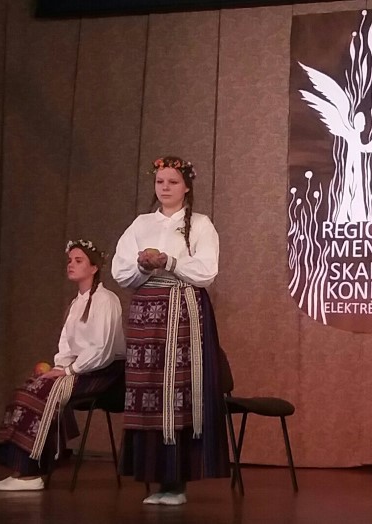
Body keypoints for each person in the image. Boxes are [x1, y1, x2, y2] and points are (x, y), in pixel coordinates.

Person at [111, 156, 230, 506]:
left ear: (186, 187)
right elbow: (120, 271)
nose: (165, 188)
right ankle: (155, 477)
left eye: (173, 182)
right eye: (160, 182)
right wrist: (142, 264)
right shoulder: (141, 223)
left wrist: (170, 261)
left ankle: (177, 482)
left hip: (183, 312)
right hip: (147, 314)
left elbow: (206, 272)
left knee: (177, 391)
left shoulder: (201, 224)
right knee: (147, 389)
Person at [0, 239, 126, 491]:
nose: (71, 265)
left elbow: (102, 350)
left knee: (43, 394)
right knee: (27, 390)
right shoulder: (76, 303)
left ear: (94, 267)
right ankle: (21, 469)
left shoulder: (106, 300)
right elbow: (66, 345)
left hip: (103, 373)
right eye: (70, 260)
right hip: (79, 368)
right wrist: (59, 367)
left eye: (78, 260)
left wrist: (69, 371)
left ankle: (31, 474)